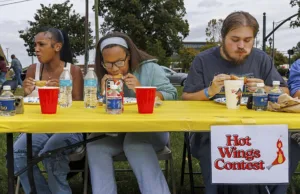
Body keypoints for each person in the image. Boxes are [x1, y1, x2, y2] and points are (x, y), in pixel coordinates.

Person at [182, 11, 299, 194]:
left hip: (259, 128)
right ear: (223, 37)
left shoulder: (261, 59)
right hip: (210, 130)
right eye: (235, 39)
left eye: (247, 40)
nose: (241, 46)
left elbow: (284, 91)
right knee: (219, 147)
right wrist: (209, 91)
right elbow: (186, 97)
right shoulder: (203, 60)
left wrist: (265, 88)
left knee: (289, 145)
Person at [87, 32, 177, 194]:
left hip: (151, 130)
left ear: (129, 55)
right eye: (108, 63)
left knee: (134, 143)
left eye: (119, 62)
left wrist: (141, 90)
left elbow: (171, 95)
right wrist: (101, 93)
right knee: (95, 146)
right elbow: (95, 107)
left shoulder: (150, 69)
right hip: (117, 131)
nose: (114, 68)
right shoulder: (103, 74)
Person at [12, 27, 84, 194]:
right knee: (18, 153)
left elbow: (80, 109)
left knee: (51, 152)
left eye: (41, 44)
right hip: (40, 128)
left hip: (68, 128)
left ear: (57, 47)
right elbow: (22, 107)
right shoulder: (32, 70)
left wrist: (63, 91)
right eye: (35, 45)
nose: (36, 49)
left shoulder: (73, 71)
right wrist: (26, 93)